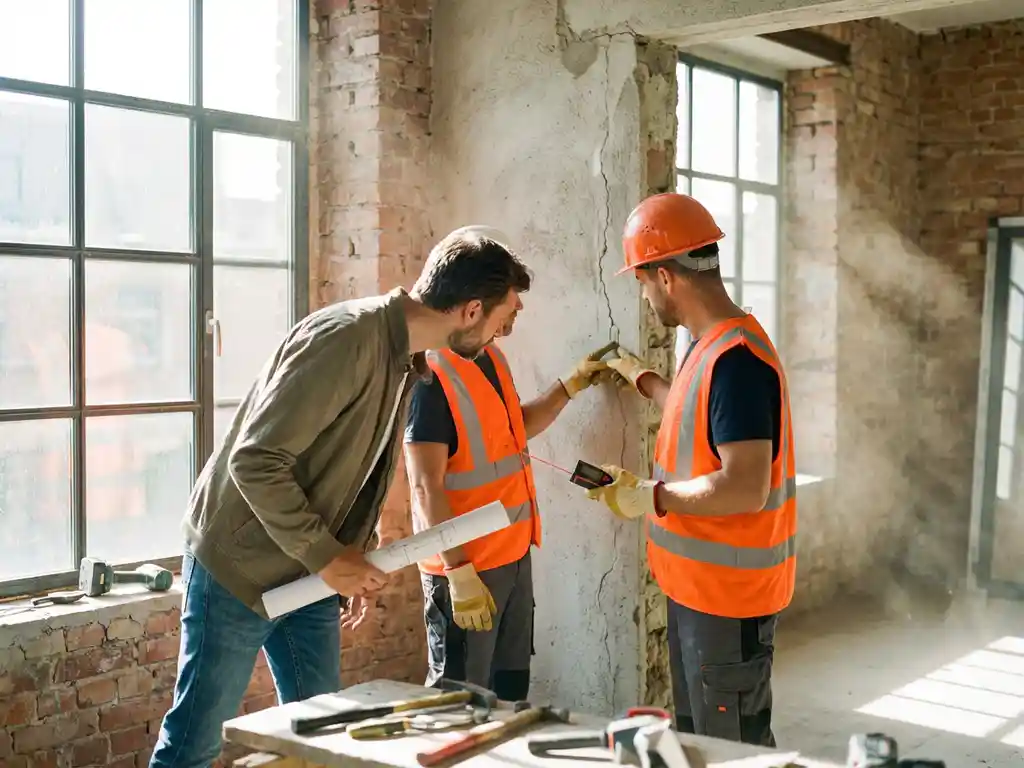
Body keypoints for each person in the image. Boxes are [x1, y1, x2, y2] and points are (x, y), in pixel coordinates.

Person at [150, 226, 534, 768]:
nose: (502, 334)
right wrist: (330, 558)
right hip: (239, 567)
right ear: (471, 310)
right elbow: (254, 461)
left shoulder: (407, 360)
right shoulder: (346, 339)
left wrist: (346, 556)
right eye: (502, 319)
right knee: (194, 744)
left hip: (308, 577)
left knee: (321, 740)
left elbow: (348, 463)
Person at [585, 193, 797, 748]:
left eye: (643, 281)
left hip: (728, 602)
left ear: (666, 276)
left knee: (734, 752)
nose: (646, 293)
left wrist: (650, 497)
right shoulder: (712, 348)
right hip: (701, 593)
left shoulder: (737, 363)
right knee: (701, 743)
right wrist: (638, 377)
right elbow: (693, 415)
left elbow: (746, 486)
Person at [402, 225, 609, 703]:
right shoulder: (429, 376)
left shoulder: (490, 360)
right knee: (459, 702)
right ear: (474, 308)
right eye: (507, 311)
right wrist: (457, 572)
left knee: (510, 692)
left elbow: (513, 430)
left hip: (512, 560)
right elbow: (424, 488)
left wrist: (570, 385)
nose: (513, 322)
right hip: (467, 571)